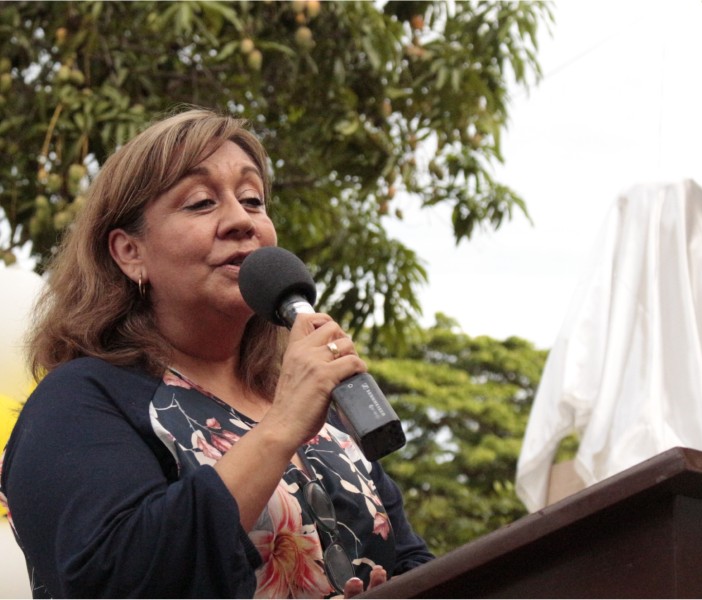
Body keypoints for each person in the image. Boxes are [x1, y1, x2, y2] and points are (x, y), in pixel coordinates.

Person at [0, 108, 434, 599]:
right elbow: (116, 580)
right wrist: (280, 427)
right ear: (129, 252)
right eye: (202, 202)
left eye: (253, 199)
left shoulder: (321, 411)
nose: (241, 221)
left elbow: (410, 557)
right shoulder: (77, 402)